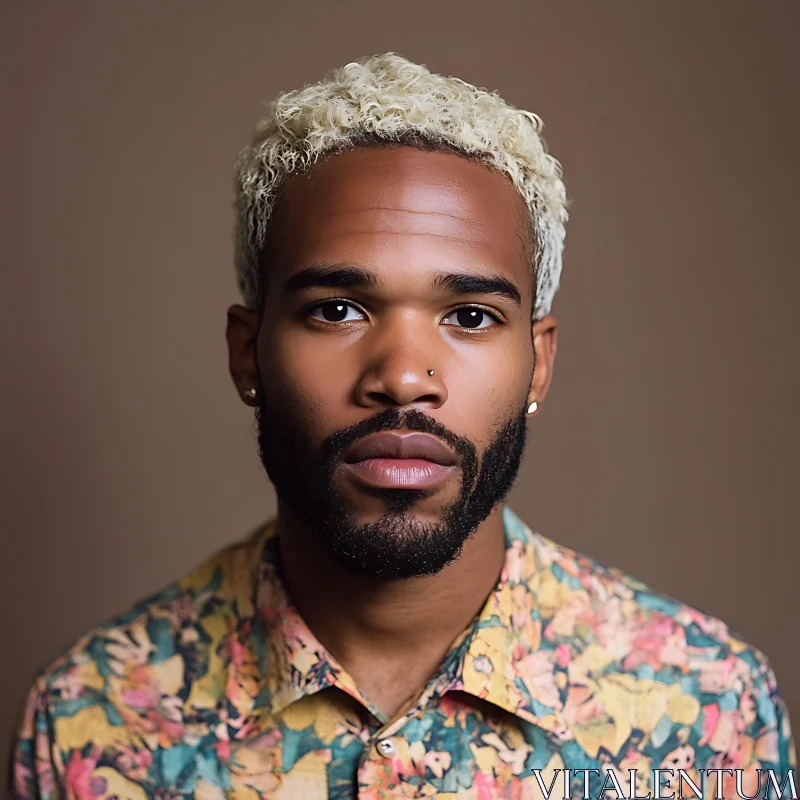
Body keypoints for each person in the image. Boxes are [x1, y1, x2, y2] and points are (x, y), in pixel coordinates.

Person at [10, 53, 794, 800]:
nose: (404, 378)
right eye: (337, 310)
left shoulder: (706, 709)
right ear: (247, 353)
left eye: (470, 315)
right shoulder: (95, 714)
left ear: (538, 365)